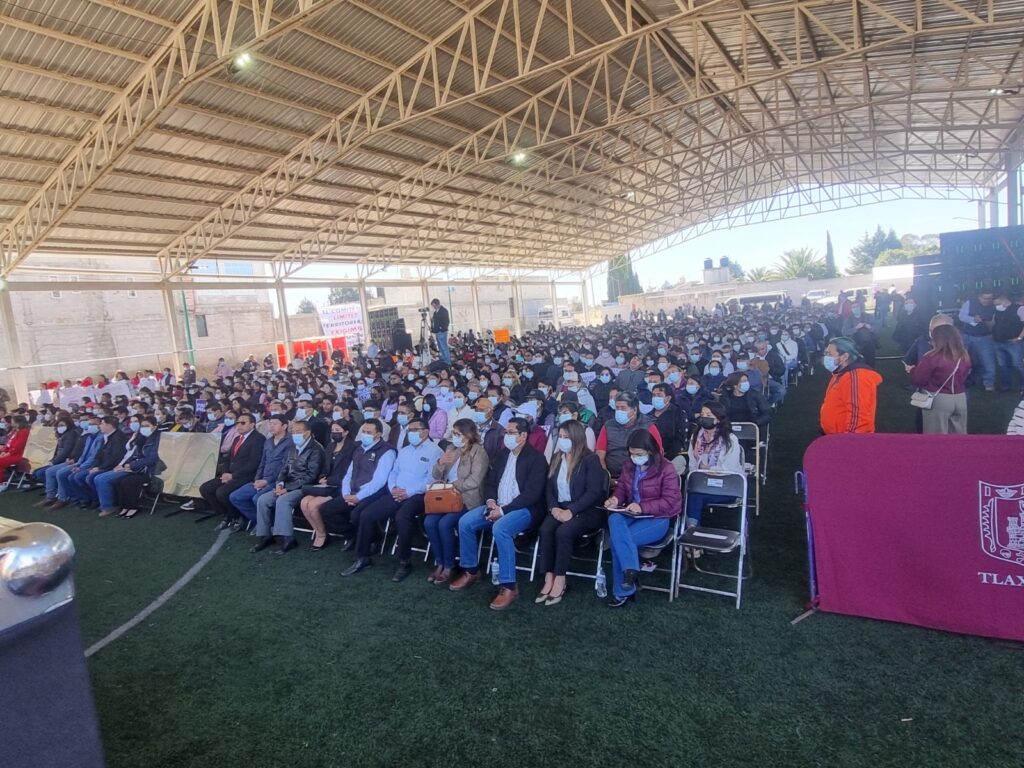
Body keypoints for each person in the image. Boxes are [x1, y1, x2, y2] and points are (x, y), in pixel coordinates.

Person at [449, 417, 548, 610]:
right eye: (506, 432)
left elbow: (532, 494)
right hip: (497, 505)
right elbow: (491, 483)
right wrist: (491, 501)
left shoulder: (537, 459)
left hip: (524, 509)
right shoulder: (503, 455)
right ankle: (471, 570)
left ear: (523, 436)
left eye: (511, 433)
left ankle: (509, 586)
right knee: (465, 522)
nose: (506, 436)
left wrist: (502, 510)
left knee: (500, 528)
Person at [341, 417, 443, 580]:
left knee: (402, 517)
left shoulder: (435, 452)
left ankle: (404, 562)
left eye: (414, 430)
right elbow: (393, 472)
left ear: (425, 432)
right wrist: (393, 488)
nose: (410, 433)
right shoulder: (404, 450)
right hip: (396, 492)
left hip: (418, 495)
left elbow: (431, 480)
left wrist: (408, 492)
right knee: (366, 514)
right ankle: (363, 557)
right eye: (409, 430)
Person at [603, 430, 681, 608]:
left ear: (650, 451)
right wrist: (615, 499)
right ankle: (631, 573)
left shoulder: (666, 468)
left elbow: (670, 502)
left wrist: (643, 507)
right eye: (631, 454)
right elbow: (622, 488)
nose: (634, 458)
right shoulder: (629, 465)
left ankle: (624, 589)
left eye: (638, 454)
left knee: (618, 540)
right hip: (632, 513)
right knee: (614, 519)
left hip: (658, 517)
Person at [535, 420, 606, 605]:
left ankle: (560, 579)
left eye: (566, 437)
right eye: (560, 436)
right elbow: (549, 488)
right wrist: (553, 508)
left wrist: (572, 511)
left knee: (563, 532)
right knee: (545, 530)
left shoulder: (590, 460)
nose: (562, 440)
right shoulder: (557, 457)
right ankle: (548, 576)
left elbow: (594, 492)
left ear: (576, 438)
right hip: (560, 507)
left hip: (585, 510)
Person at [424, 418, 489, 585]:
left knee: (444, 524)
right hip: (446, 498)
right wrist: (440, 463)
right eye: (453, 433)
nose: (455, 436)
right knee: (429, 522)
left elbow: (475, 481)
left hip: (467, 499)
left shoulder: (479, 452)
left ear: (468, 435)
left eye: (458, 433)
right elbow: (436, 475)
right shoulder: (450, 449)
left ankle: (449, 566)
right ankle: (440, 562)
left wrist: (452, 486)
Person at [315, 419, 397, 548]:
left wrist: (358, 497)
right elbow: (349, 474)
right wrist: (346, 494)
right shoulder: (359, 449)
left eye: (369, 432)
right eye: (363, 431)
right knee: (326, 510)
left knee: (357, 514)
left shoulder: (387, 451)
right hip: (352, 491)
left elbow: (379, 481)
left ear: (378, 434)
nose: (365, 434)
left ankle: (373, 539)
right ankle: (353, 536)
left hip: (373, 493)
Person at [251, 420, 325, 555]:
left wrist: (287, 488)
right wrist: (280, 484)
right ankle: (265, 535)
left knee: (283, 501)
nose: (295, 434)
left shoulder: (316, 449)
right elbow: (284, 468)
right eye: (293, 432)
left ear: (307, 433)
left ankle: (287, 538)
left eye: (298, 432)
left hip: (304, 487)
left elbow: (311, 476)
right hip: (287, 484)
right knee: (263, 500)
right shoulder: (293, 446)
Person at [298, 418, 356, 550]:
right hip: (326, 486)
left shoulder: (353, 448)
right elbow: (325, 468)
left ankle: (322, 535)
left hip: (341, 487)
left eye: (337, 430)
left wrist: (329, 481)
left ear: (346, 432)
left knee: (313, 505)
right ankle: (320, 532)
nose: (334, 432)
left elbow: (349, 473)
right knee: (304, 503)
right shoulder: (330, 446)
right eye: (332, 430)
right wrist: (322, 477)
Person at [200, 414, 266, 530]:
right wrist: (225, 473)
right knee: (205, 489)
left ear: (252, 424)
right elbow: (228, 459)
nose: (239, 425)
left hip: (246, 476)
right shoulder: (237, 438)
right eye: (237, 423)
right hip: (230, 474)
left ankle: (238, 517)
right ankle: (227, 514)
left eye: (243, 423)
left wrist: (233, 475)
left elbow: (254, 463)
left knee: (222, 492)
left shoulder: (258, 439)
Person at [685, 401, 744, 526]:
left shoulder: (730, 439)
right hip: (702, 483)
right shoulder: (696, 437)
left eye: (708, 415)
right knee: (692, 493)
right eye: (702, 414)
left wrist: (708, 469)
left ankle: (693, 527)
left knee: (696, 496)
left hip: (726, 485)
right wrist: (700, 469)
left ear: (718, 419)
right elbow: (692, 462)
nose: (704, 417)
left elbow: (730, 468)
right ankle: (691, 529)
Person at [227, 415, 291, 529]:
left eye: (275, 424)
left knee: (257, 498)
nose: (271, 426)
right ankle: (262, 521)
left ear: (284, 426)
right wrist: (257, 479)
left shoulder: (290, 442)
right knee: (235, 497)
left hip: (278, 482)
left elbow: (284, 466)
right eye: (270, 423)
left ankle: (268, 524)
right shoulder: (268, 441)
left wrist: (266, 481)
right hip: (262, 479)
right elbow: (262, 462)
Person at [908, 324, 972, 434]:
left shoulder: (931, 357)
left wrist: (912, 371)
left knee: (936, 437)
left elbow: (919, 380)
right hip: (960, 397)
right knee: (959, 436)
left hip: (939, 399)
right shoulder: (964, 356)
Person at [820, 337, 882, 434]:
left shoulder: (856, 378)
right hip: (836, 436)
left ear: (844, 357)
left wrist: (850, 441)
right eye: (825, 353)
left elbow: (858, 417)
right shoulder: (840, 374)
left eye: (829, 354)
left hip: (845, 438)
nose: (826, 357)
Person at [594, 393, 663, 476]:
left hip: (641, 476)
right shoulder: (608, 426)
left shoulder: (648, 426)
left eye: (623, 408)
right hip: (612, 475)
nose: (619, 411)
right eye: (617, 408)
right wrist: (606, 476)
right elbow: (600, 454)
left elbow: (658, 454)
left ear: (634, 410)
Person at [109, 416, 162, 519]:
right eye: (142, 426)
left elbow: (153, 458)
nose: (144, 428)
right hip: (140, 469)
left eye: (147, 426)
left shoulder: (158, 438)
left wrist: (132, 465)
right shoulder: (142, 438)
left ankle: (133, 507)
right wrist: (125, 465)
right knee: (121, 480)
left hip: (154, 471)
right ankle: (124, 507)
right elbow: (135, 455)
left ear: (154, 427)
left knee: (129, 481)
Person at [958, 289, 997, 391]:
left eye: (989, 298)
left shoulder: (994, 305)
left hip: (984, 337)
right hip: (967, 335)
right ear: (979, 297)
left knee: (988, 361)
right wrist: (973, 319)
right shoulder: (970, 302)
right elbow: (961, 316)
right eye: (985, 298)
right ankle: (961, 380)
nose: (987, 300)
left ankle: (989, 383)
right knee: (962, 359)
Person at [991, 292, 1024, 393]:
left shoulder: (1019, 309)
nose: (996, 306)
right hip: (998, 342)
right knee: (1003, 365)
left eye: (997, 303)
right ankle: (1005, 385)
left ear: (1003, 300)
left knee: (1018, 365)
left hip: (1013, 343)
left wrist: (1019, 338)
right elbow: (994, 324)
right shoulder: (997, 311)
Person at [430, 298, 451, 364]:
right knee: (440, 347)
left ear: (437, 304)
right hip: (437, 332)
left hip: (442, 332)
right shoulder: (435, 312)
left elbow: (447, 321)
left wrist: (441, 329)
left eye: (434, 305)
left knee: (444, 347)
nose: (433, 307)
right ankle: (443, 359)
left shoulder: (444, 311)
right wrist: (433, 329)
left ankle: (447, 361)